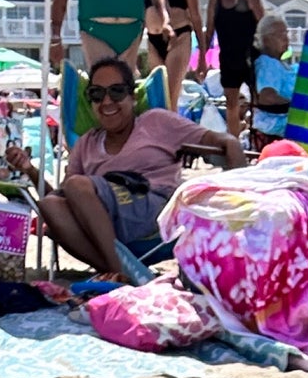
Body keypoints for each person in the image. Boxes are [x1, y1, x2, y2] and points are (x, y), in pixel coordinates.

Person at [36, 53, 242, 273]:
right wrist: (30, 170)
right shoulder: (86, 143)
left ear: (132, 97)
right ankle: (124, 271)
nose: (107, 101)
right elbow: (64, 198)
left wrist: (244, 197)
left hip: (155, 213)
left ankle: (116, 271)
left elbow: (219, 141)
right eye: (97, 94)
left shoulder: (156, 121)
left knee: (78, 185)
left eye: (116, 92)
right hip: (104, 224)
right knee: (50, 205)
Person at [195, 0, 265, 140]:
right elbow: (208, 33)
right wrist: (202, 59)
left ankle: (258, 140)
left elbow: (264, 23)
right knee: (231, 104)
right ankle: (234, 143)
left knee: (258, 102)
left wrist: (271, 55)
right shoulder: (214, 0)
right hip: (228, 58)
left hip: (252, 55)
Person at [144, 0, 203, 111]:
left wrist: (202, 54)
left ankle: (171, 138)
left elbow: (195, 16)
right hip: (153, 38)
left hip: (179, 37)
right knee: (157, 98)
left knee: (171, 97)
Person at [250, 12, 296, 142]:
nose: (286, 38)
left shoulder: (279, 64)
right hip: (275, 122)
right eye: (280, 35)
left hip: (285, 119)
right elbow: (267, 97)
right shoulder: (268, 63)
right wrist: (298, 106)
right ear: (266, 40)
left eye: (286, 33)